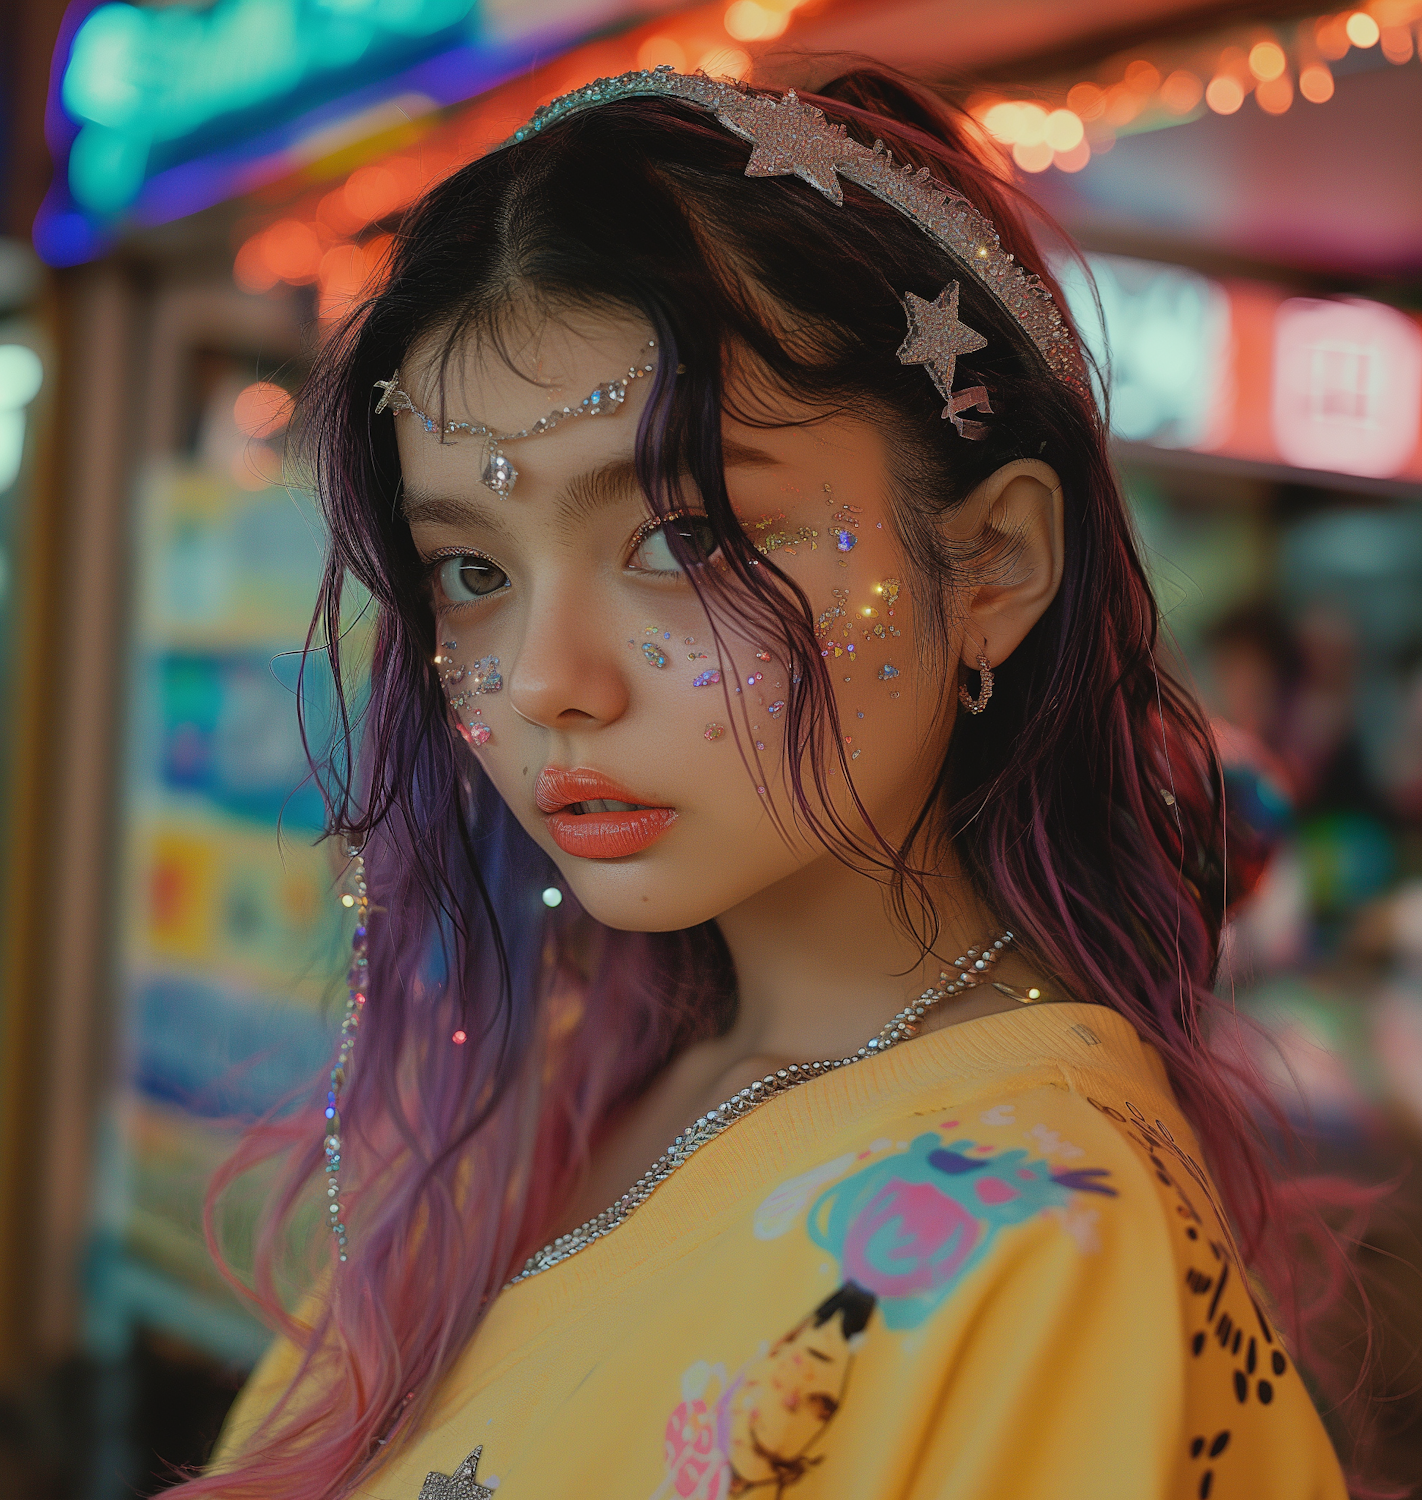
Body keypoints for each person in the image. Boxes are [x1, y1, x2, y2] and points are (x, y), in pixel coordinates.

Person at [181, 64, 1356, 1500]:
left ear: (989, 567)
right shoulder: (548, 1082)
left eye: (685, 539)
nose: (550, 679)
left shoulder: (1042, 1246)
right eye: (471, 573)